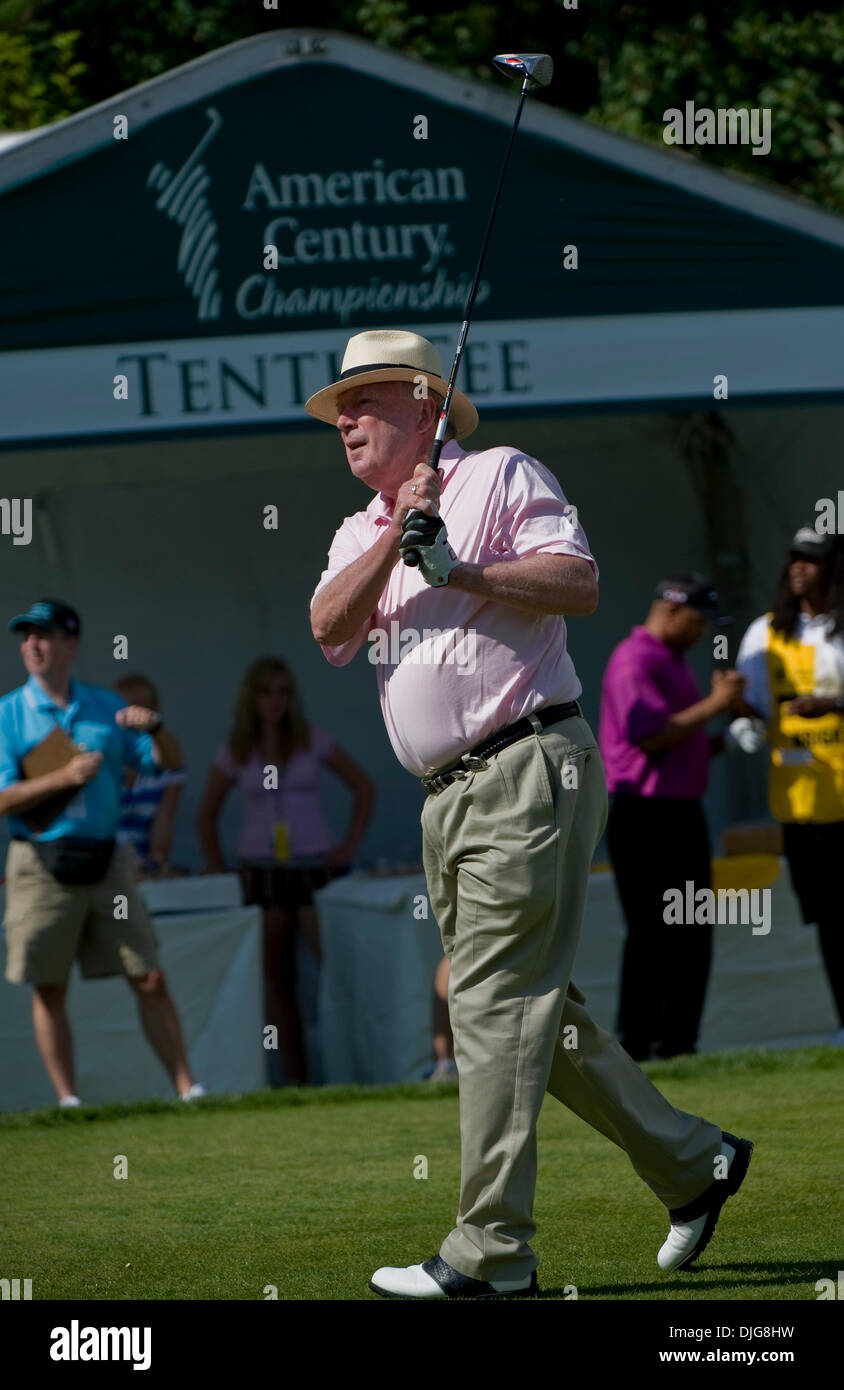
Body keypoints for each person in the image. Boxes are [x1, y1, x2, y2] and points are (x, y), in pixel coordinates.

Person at [307, 328, 753, 1299]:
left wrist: (458, 567)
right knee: (534, 1018)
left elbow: (578, 584)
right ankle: (695, 1161)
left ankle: (491, 1250)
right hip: (444, 799)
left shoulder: (500, 472)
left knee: (493, 1005)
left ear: (426, 404)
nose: (344, 415)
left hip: (523, 765)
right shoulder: (357, 527)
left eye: (366, 398)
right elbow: (329, 627)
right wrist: (398, 538)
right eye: (339, 403)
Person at [0, 598, 204, 1106]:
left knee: (149, 975)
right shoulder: (8, 714)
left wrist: (155, 729)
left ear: (70, 643)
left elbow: (166, 764)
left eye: (44, 635)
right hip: (39, 863)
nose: (33, 644)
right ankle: (69, 1101)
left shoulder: (103, 707)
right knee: (49, 986)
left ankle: (189, 1089)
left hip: (108, 860)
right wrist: (62, 777)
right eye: (26, 635)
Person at [196, 656, 373, 1085]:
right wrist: (223, 874)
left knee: (334, 969)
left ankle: (357, 1071)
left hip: (312, 867)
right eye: (267, 692)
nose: (275, 701)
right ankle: (296, 1081)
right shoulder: (236, 749)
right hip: (261, 871)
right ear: (252, 698)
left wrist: (347, 846)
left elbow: (364, 787)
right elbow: (206, 816)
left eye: (283, 692)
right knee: (279, 983)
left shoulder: (312, 739)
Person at [598, 575, 746, 1061]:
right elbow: (649, 736)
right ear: (669, 610)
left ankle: (681, 1044)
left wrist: (727, 736)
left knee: (691, 928)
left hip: (681, 811)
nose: (702, 634)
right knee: (653, 931)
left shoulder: (673, 661)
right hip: (644, 816)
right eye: (697, 622)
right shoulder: (634, 659)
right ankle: (638, 1043)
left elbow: (679, 743)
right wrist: (715, 706)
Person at [732, 526, 844, 1044]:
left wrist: (831, 704)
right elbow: (753, 708)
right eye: (794, 558)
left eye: (813, 560)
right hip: (802, 801)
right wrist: (741, 719)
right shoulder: (765, 632)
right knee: (829, 921)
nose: (800, 568)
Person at [115, 673, 186, 877]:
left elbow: (163, 825)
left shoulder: (169, 759)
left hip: (142, 868)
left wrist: (155, 864)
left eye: (140, 708)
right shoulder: (104, 757)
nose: (133, 715)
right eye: (126, 707)